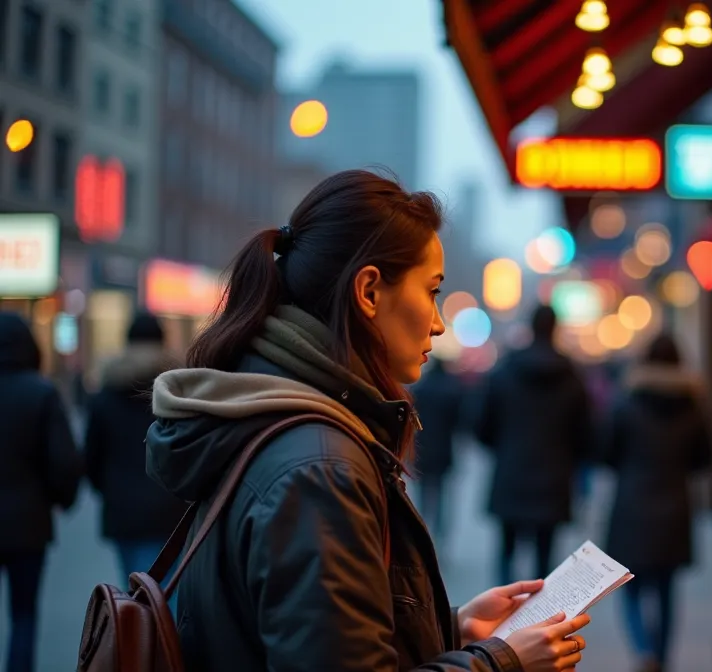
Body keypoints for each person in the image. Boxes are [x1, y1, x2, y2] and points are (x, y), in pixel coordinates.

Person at [145, 170, 590, 672]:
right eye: (433, 290)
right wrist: (499, 663)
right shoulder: (319, 467)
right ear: (370, 292)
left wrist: (453, 626)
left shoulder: (277, 421)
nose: (439, 322)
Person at [600, 335, 712, 672]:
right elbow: (706, 458)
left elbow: (606, 451)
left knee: (630, 586)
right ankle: (661, 658)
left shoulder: (626, 402)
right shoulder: (693, 406)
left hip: (632, 505)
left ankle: (643, 649)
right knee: (666, 589)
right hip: (675, 505)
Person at [475, 305, 592, 586]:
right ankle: (538, 620)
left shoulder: (505, 372)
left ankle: (503, 616)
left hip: (511, 473)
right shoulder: (572, 378)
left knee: (506, 551)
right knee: (545, 557)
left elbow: (480, 424)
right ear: (555, 328)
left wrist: (504, 448)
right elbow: (586, 435)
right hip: (553, 477)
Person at [0, 311, 81, 672]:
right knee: (24, 614)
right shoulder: (41, 393)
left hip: (25, 521)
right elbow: (63, 461)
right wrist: (63, 498)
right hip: (27, 525)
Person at [84, 312, 188, 584]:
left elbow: (91, 459)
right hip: (171, 507)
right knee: (167, 593)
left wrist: (110, 488)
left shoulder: (106, 395)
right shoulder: (177, 392)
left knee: (136, 594)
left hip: (124, 509)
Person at [411, 357, 464, 540]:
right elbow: (459, 422)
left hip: (421, 447)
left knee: (422, 493)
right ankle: (440, 534)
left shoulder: (420, 388)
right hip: (443, 448)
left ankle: (421, 529)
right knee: (440, 494)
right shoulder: (451, 390)